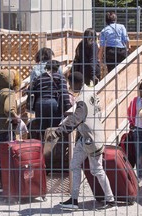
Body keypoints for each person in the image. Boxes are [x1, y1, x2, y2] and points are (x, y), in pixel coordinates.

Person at [47, 71, 117, 210]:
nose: (69, 86)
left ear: (77, 83)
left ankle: (111, 201)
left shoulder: (82, 100)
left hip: (91, 139)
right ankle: (73, 200)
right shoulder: (91, 93)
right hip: (87, 137)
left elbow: (76, 119)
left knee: (97, 170)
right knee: (74, 165)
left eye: (70, 83)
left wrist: (58, 132)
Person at [0, 69, 21, 193]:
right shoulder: (9, 93)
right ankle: (2, 186)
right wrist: (17, 118)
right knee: (6, 157)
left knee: (3, 156)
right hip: (5, 129)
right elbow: (9, 110)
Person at [30, 60, 72, 141]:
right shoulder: (60, 77)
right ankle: (52, 150)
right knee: (53, 129)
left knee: (42, 130)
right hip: (52, 104)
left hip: (40, 104)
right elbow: (64, 94)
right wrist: (68, 108)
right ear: (58, 68)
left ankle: (42, 149)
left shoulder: (39, 78)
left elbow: (32, 91)